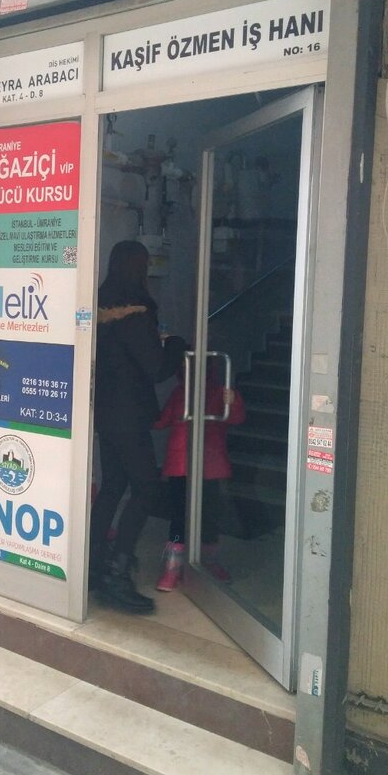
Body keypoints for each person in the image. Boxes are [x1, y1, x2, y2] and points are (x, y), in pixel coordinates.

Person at [90, 239, 186, 613]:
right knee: (146, 488)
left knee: (114, 485)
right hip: (129, 416)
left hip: (106, 413)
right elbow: (157, 368)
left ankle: (93, 563)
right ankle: (117, 571)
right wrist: (175, 344)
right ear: (139, 269)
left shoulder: (99, 306)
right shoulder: (135, 313)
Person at [153, 365, 246, 591]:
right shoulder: (180, 392)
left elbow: (236, 418)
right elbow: (162, 420)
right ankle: (175, 566)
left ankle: (202, 562)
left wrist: (233, 401)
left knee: (208, 513)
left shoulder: (219, 392)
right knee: (181, 515)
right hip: (183, 463)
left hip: (207, 462)